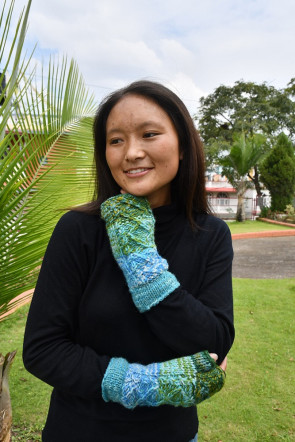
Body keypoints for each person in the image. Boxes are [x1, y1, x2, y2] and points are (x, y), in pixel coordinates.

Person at [23, 80, 234, 442]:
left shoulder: (210, 234)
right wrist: (145, 385)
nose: (131, 152)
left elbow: (213, 342)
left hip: (173, 435)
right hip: (79, 432)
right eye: (116, 140)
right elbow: (43, 349)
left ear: (183, 145)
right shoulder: (79, 230)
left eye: (149, 134)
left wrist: (139, 259)